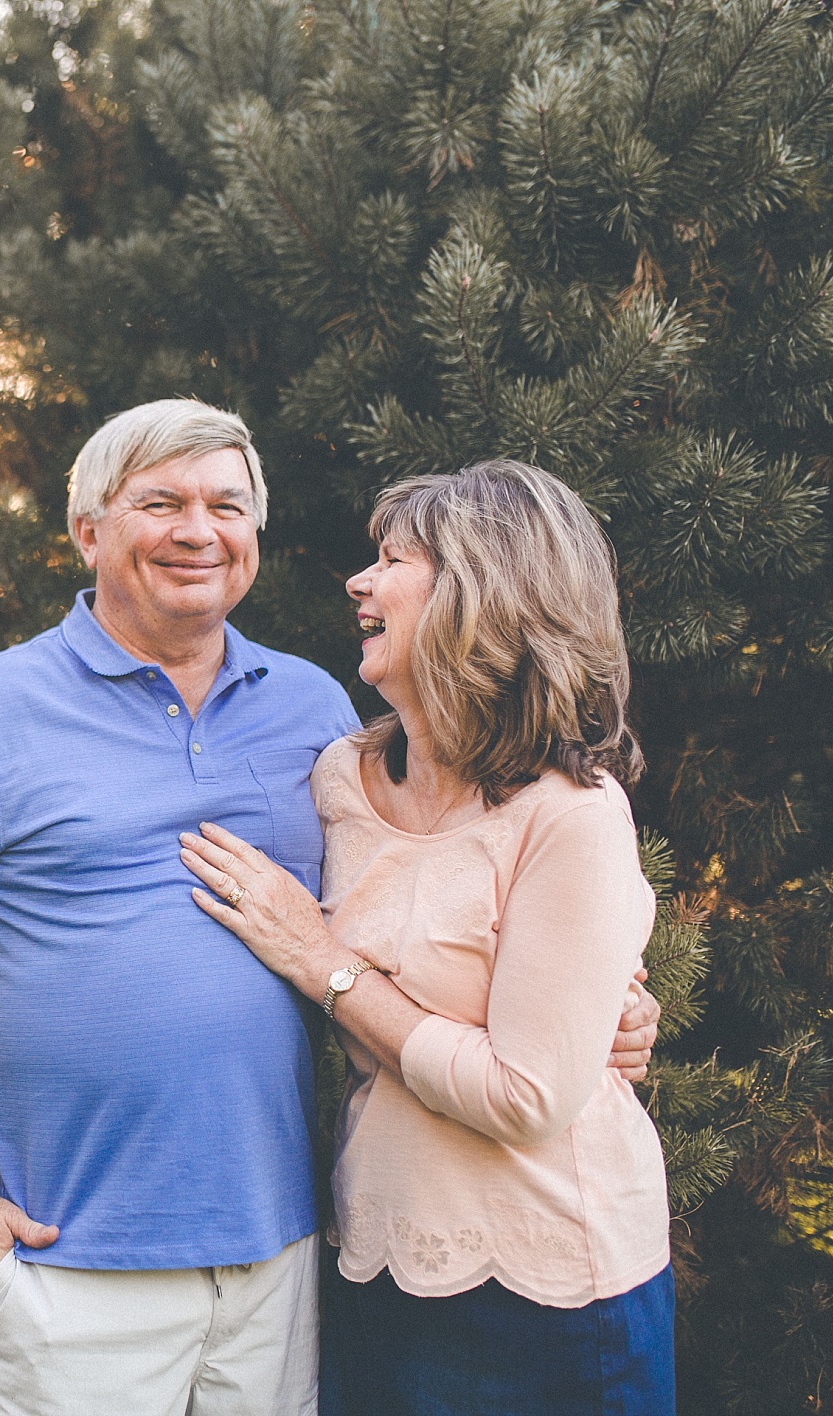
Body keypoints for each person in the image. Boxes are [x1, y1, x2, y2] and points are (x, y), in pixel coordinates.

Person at [0, 402, 660, 1416]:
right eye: (161, 502)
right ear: (88, 532)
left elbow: (443, 890)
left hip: (291, 1252)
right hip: (76, 1257)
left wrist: (605, 1008)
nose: (199, 530)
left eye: (227, 505)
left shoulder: (320, 716)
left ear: (254, 539)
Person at [178, 458, 675, 1414]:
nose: (359, 583)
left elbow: (526, 1095)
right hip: (373, 1258)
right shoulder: (339, 780)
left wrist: (327, 969)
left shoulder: (571, 815)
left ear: (482, 597)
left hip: (551, 1286)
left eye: (394, 559)